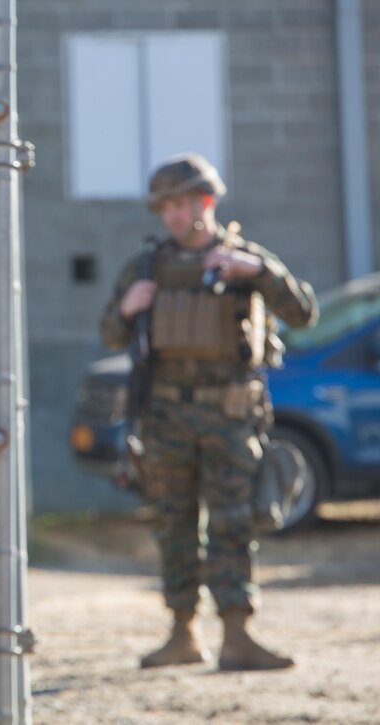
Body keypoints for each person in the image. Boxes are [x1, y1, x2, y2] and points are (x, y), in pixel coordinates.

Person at [99, 153, 317, 672]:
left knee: (233, 525)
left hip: (229, 418)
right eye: (165, 207)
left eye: (183, 203)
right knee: (174, 525)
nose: (174, 215)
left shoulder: (244, 260)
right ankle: (182, 634)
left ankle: (238, 636)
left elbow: (303, 312)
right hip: (166, 420)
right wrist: (129, 306)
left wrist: (260, 271)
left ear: (208, 201)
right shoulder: (147, 267)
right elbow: (110, 332)